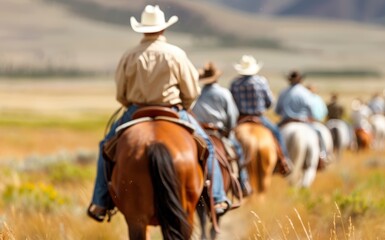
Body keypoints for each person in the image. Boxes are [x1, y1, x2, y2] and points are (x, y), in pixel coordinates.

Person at [87, 5, 230, 222]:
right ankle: (217, 198)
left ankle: (100, 202)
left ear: (142, 29)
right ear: (163, 29)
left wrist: (130, 102)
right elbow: (191, 91)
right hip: (172, 110)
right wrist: (184, 104)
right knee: (208, 145)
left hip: (136, 110)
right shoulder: (176, 54)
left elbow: (121, 94)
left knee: (105, 146)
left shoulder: (129, 55)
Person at [192, 62, 252, 196]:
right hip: (217, 132)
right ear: (217, 78)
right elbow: (232, 115)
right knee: (238, 150)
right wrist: (229, 130)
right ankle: (242, 184)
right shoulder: (224, 93)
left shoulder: (198, 94)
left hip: (200, 132)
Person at [229, 55, 291, 173]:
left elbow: (231, 103)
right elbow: (270, 102)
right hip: (259, 117)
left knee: (228, 138)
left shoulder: (235, 83)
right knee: (277, 133)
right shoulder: (261, 81)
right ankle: (284, 161)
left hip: (240, 118)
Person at [275, 70, 327, 161]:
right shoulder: (305, 92)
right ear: (301, 80)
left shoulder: (283, 92)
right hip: (303, 121)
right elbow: (312, 110)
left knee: (273, 134)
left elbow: (277, 111)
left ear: (289, 80)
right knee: (319, 133)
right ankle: (322, 155)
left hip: (286, 121)